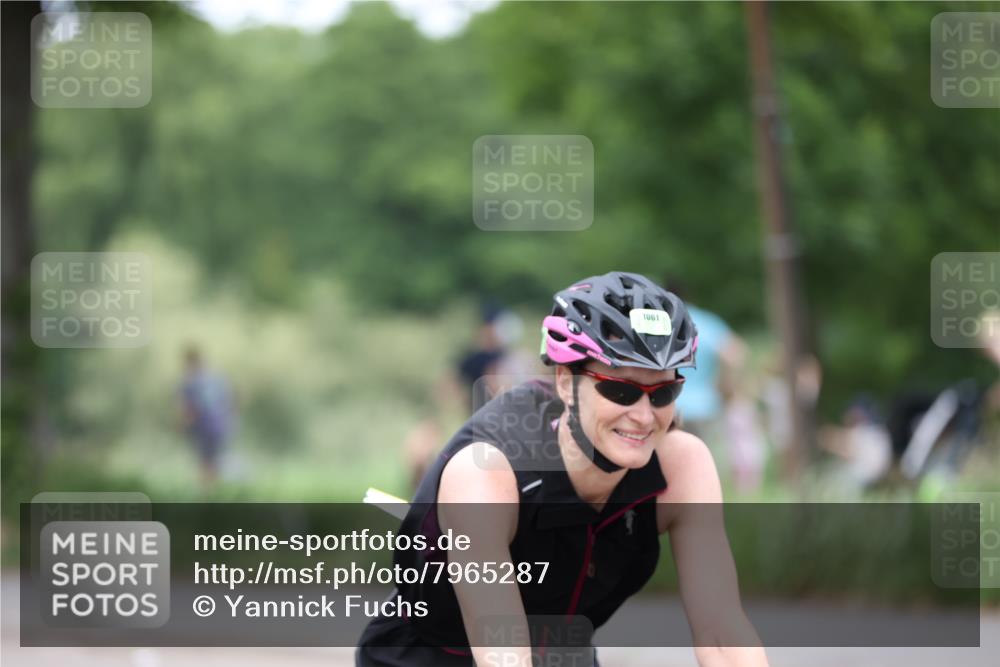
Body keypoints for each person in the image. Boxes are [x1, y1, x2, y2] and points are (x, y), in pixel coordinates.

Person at [357, 272, 770, 667]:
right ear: (566, 382)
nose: (644, 416)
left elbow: (721, 635)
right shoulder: (486, 473)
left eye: (664, 392)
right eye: (621, 390)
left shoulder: (682, 464)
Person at [178, 345, 234, 490]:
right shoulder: (217, 379)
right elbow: (229, 401)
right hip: (221, 426)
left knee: (205, 462)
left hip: (204, 427)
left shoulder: (189, 383)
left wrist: (181, 425)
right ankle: (215, 492)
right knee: (214, 461)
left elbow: (191, 409)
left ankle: (207, 495)